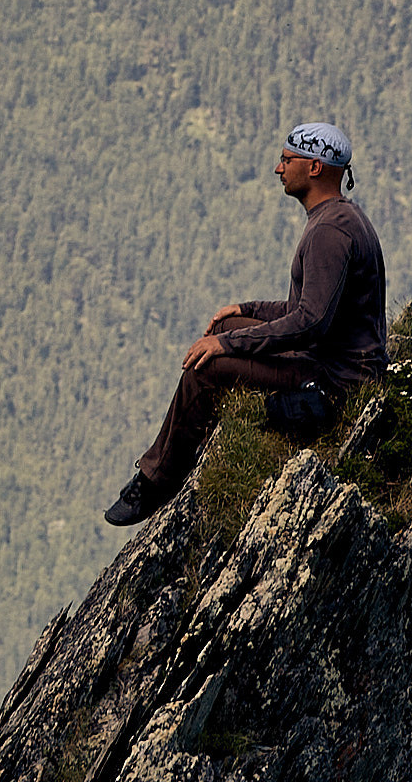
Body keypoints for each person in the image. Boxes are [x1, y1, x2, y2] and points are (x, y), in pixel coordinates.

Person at [103, 122, 389, 528]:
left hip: (334, 380)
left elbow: (310, 323)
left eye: (287, 160)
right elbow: (303, 308)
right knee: (226, 330)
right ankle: (179, 452)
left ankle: (157, 480)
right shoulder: (341, 218)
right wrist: (243, 309)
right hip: (339, 364)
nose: (278, 169)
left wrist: (229, 345)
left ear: (314, 167)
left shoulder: (328, 231)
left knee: (207, 368)